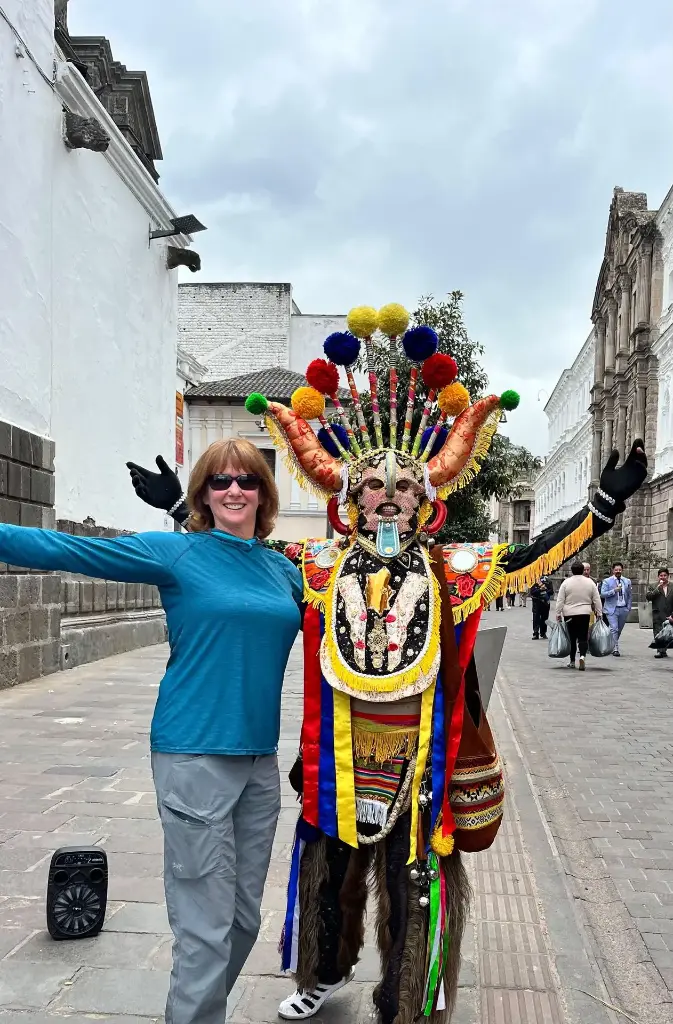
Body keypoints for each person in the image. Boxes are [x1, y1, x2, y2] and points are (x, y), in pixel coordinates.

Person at [128, 303, 647, 1023]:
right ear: (349, 500)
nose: (388, 497)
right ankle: (320, 973)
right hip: (335, 756)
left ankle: (407, 993)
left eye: (404, 486)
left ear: (425, 502)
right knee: (327, 875)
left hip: (421, 756)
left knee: (415, 882)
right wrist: (182, 514)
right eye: (372, 485)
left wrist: (600, 506)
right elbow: (238, 555)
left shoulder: (452, 569)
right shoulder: (312, 566)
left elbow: (529, 555)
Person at [0, 438, 303, 1024]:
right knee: (205, 927)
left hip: (258, 764)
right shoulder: (175, 554)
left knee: (242, 922)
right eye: (220, 482)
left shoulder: (283, 569)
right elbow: (69, 550)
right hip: (193, 756)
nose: (234, 490)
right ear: (203, 495)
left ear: (265, 494)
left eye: (247, 481)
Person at [555, 562, 603, 670]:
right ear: (582, 570)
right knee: (583, 636)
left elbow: (560, 600)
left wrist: (558, 613)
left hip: (569, 614)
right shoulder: (590, 582)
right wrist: (599, 613)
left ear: (572, 571)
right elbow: (596, 599)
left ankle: (572, 661)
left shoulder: (566, 583)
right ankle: (582, 656)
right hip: (584, 613)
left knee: (572, 637)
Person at [601, 561, 632, 657]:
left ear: (622, 570)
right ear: (613, 570)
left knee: (619, 629)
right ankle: (615, 648)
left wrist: (628, 607)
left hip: (623, 608)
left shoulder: (627, 581)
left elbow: (630, 595)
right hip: (611, 609)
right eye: (616, 570)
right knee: (614, 628)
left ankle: (611, 644)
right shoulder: (607, 581)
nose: (618, 571)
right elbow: (603, 594)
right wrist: (614, 590)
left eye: (619, 569)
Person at [646, 567, 673, 658]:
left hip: (669, 612)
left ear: (668, 576)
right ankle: (660, 651)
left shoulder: (672, 586)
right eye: (661, 575)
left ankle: (663, 650)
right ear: (658, 577)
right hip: (658, 612)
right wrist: (658, 589)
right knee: (658, 632)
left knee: (667, 632)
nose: (663, 577)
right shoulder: (653, 586)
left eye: (665, 575)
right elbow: (648, 597)